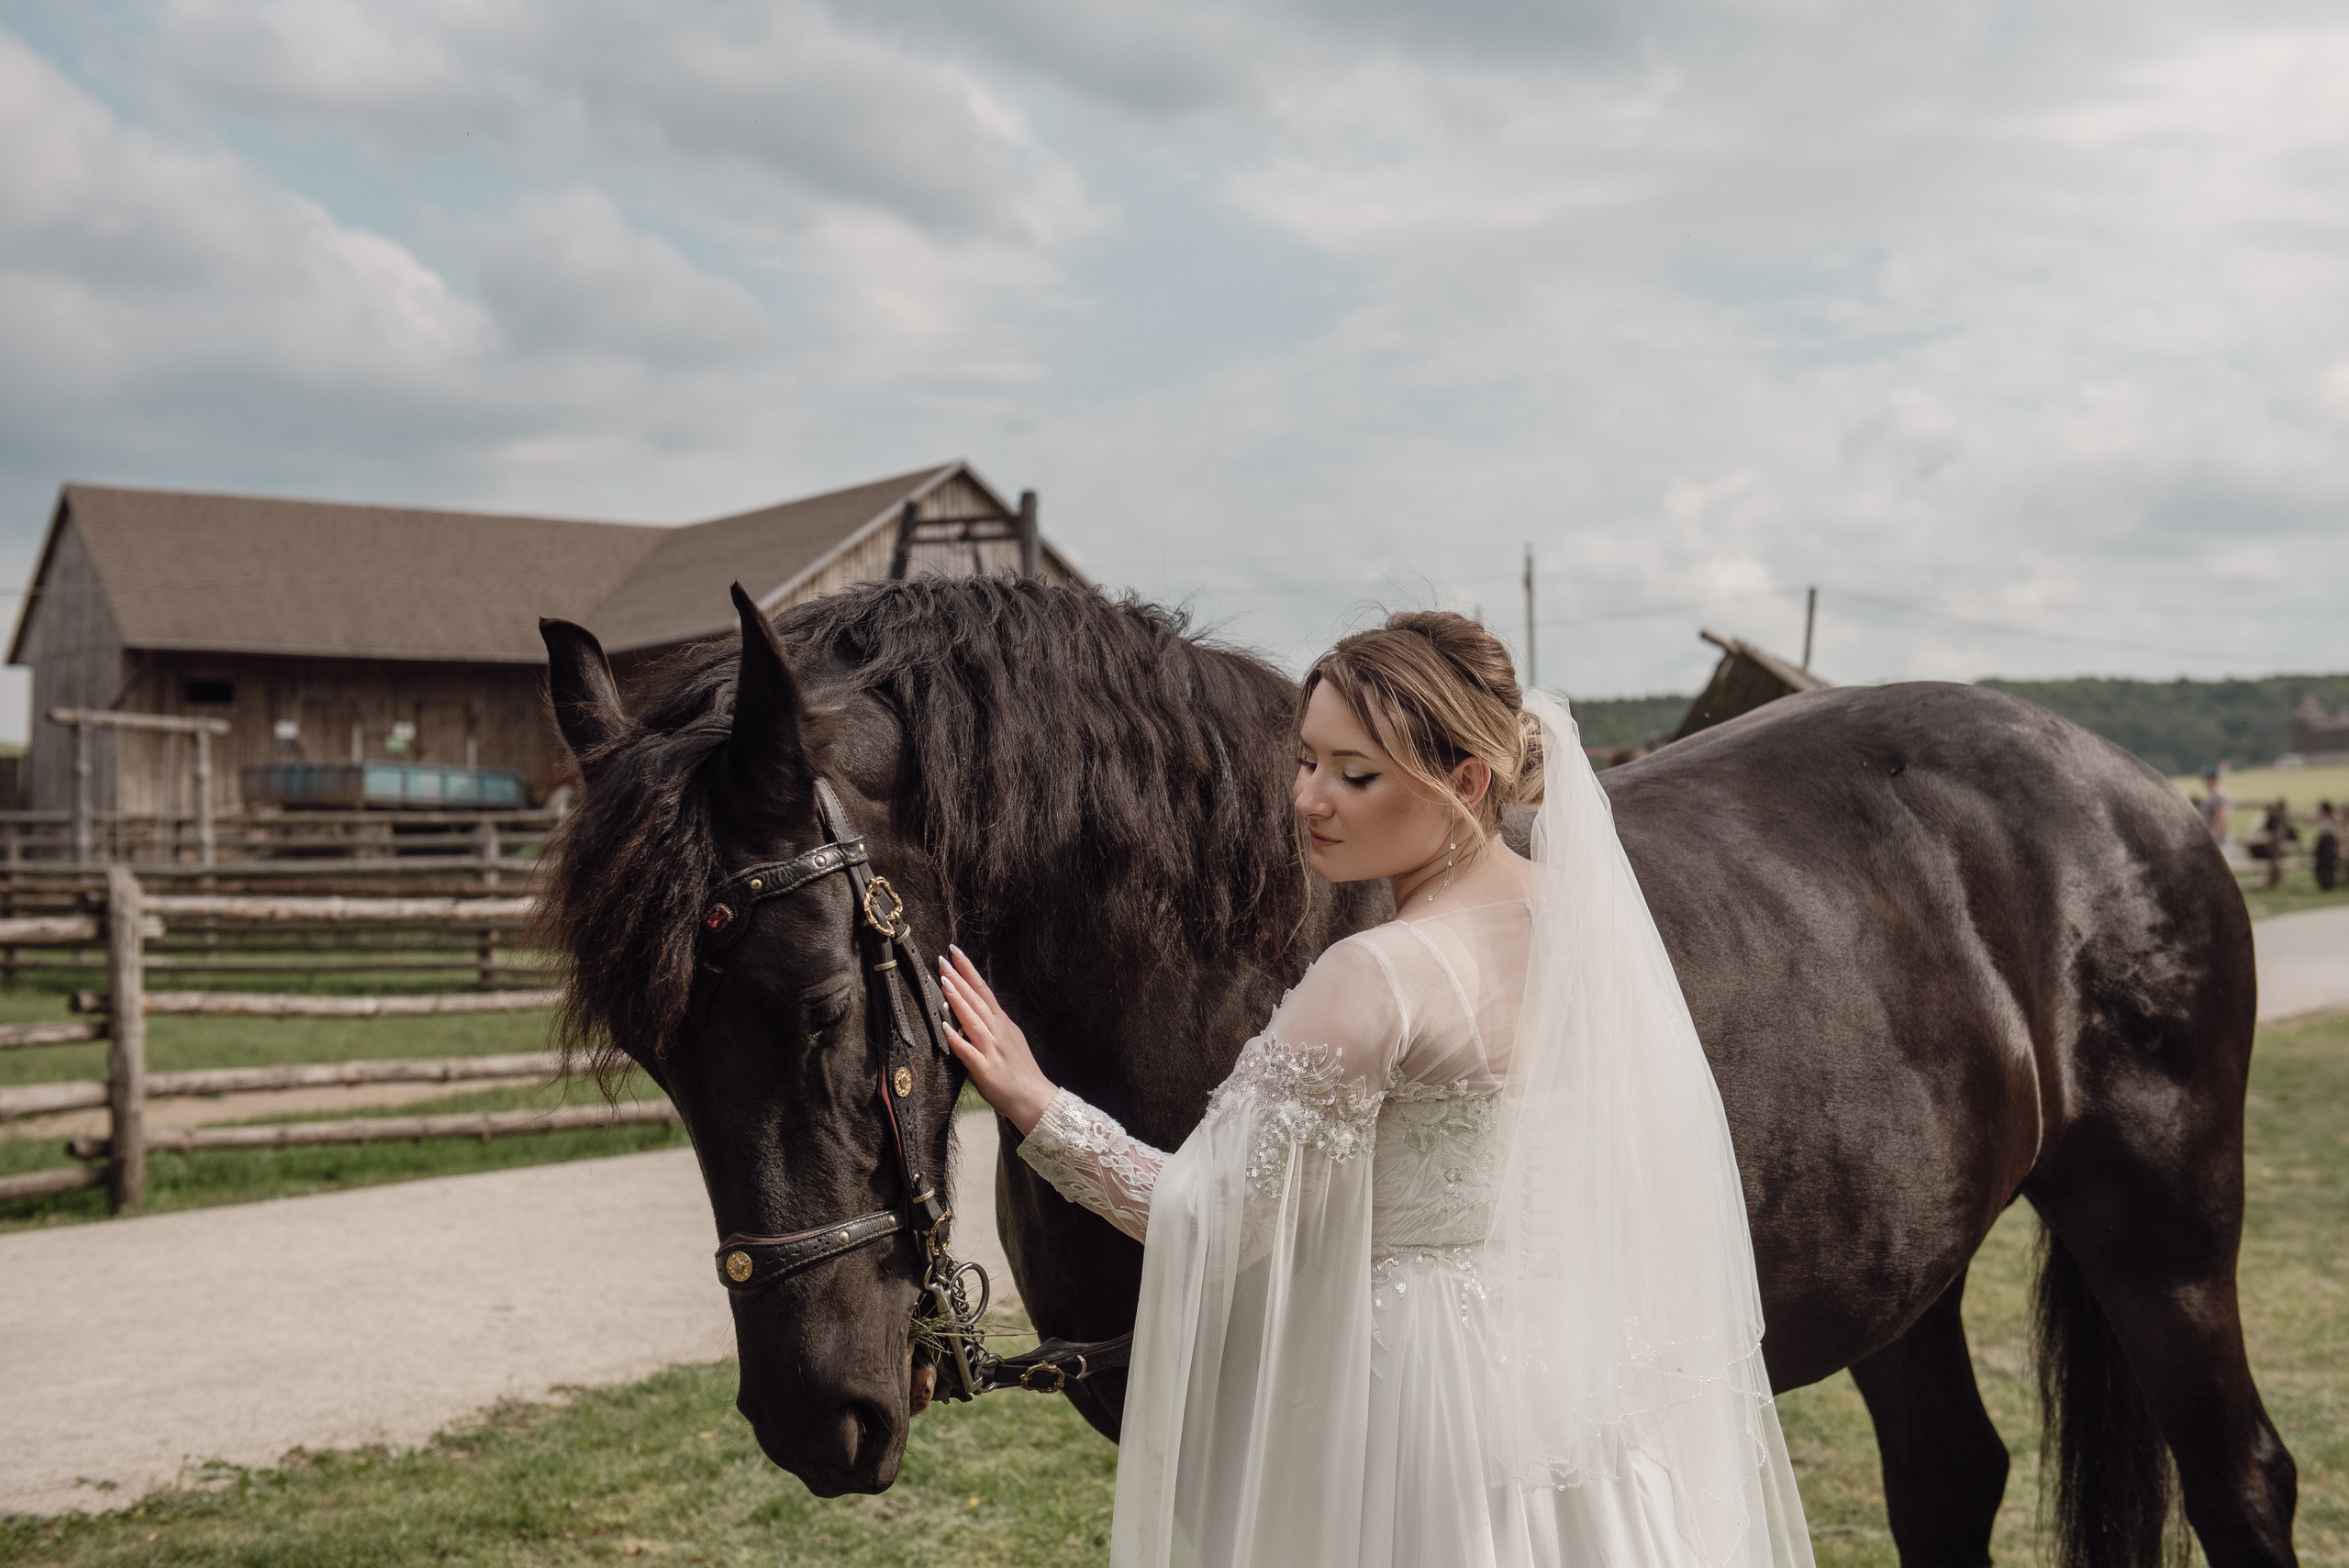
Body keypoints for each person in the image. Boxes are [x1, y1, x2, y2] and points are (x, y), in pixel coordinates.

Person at [940, 612, 1813, 1568]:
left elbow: (1208, 1215)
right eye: (1306, 759)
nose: (1309, 798)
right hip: (1577, 1378)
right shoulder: (1588, 922)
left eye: (1354, 774)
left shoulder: (1376, 973)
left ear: (1468, 781)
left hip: (1416, 1401)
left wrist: (1035, 1101)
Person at [2199, 766, 2232, 845]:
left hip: (2219, 842)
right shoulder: (2214, 795)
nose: (2203, 782)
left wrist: (2212, 837)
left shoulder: (2218, 796)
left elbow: (2221, 819)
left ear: (2211, 780)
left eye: (2205, 779)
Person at [2314, 801, 2340, 893]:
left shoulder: (2333, 817)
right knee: (2320, 862)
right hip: (2323, 839)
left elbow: (2338, 826)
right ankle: (2323, 884)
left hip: (2329, 840)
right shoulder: (2321, 817)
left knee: (2329, 862)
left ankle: (2329, 884)